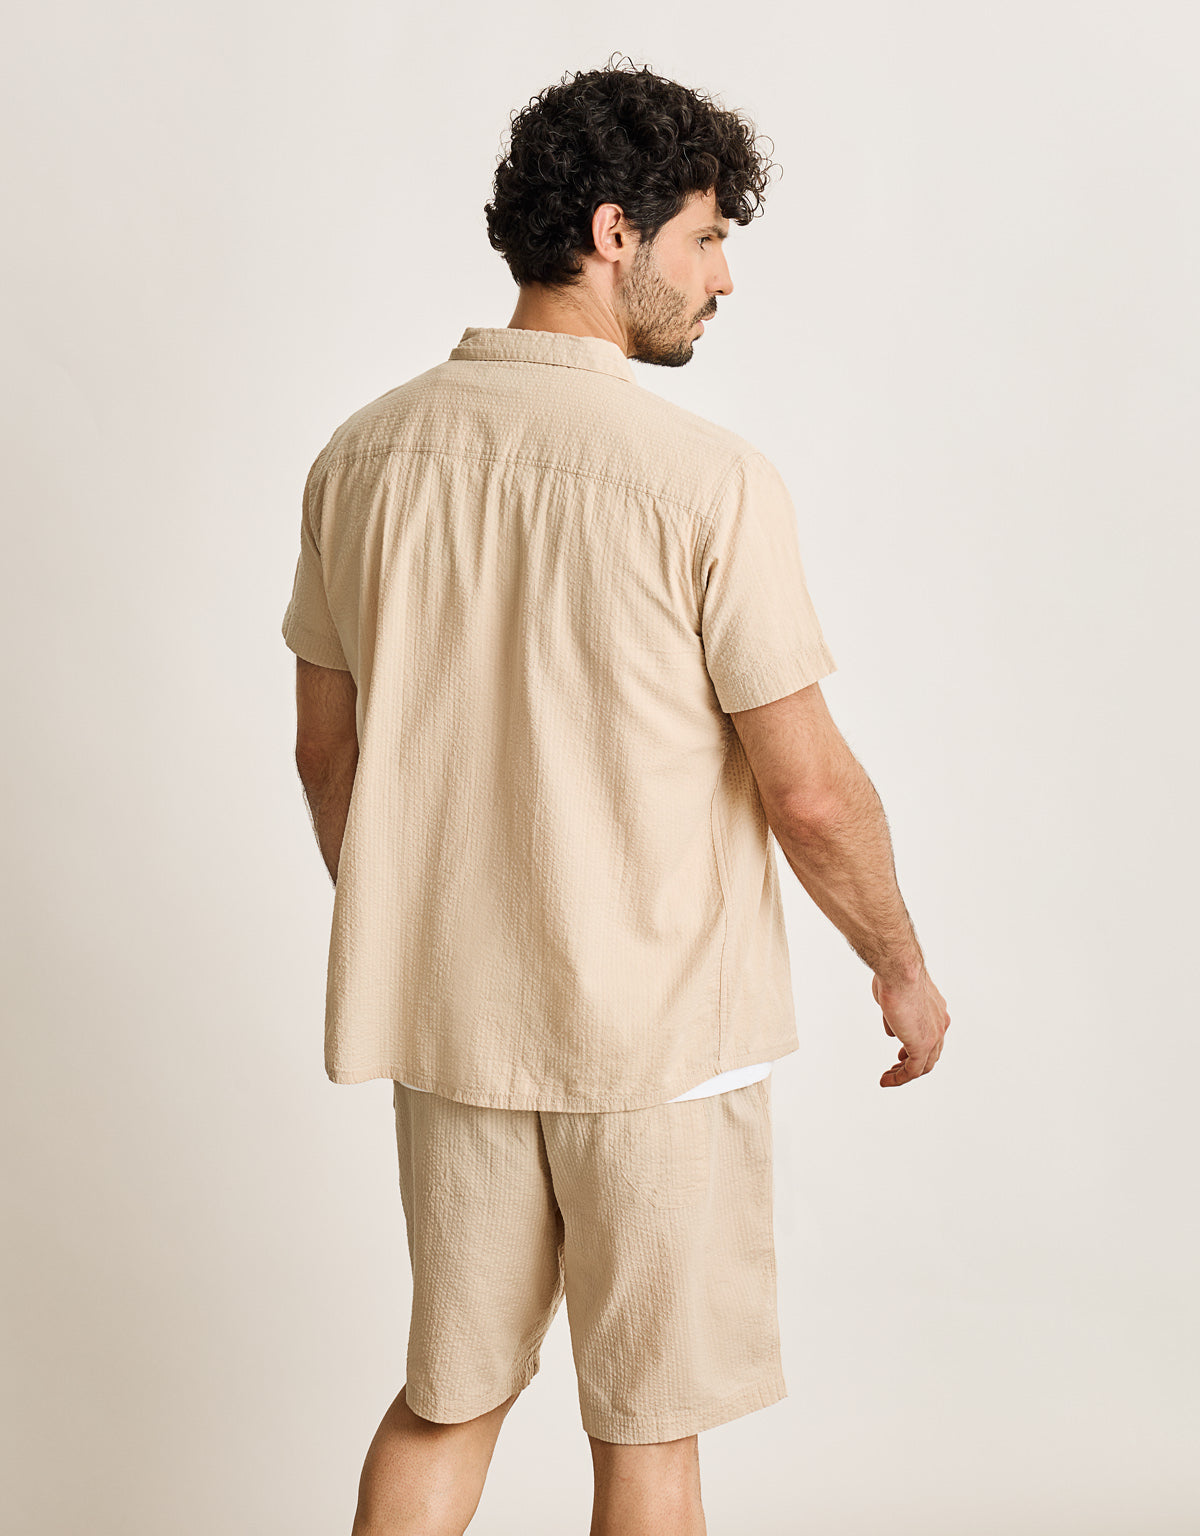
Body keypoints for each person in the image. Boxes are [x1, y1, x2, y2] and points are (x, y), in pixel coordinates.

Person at [282, 55, 950, 1536]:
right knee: (648, 1433)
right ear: (613, 234)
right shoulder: (705, 481)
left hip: (451, 1031)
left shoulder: (359, 459)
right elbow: (811, 793)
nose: (724, 278)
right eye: (707, 238)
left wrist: (435, 930)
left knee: (447, 1398)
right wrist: (899, 966)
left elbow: (328, 757)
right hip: (658, 1042)